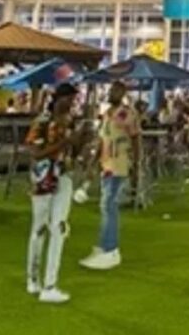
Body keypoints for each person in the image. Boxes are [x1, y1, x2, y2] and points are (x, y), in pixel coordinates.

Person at [25, 83, 83, 303]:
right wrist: (65, 142)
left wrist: (78, 143)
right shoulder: (42, 122)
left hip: (64, 175)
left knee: (58, 227)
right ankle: (33, 278)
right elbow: (36, 153)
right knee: (39, 228)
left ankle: (50, 284)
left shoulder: (71, 122)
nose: (73, 103)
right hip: (43, 177)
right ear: (60, 99)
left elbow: (72, 151)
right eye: (70, 99)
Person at [80, 80, 139, 272]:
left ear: (123, 93)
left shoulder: (126, 113)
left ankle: (111, 249)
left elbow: (136, 137)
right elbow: (102, 141)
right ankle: (104, 245)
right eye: (111, 89)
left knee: (109, 204)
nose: (112, 93)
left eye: (116, 90)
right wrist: (92, 164)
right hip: (106, 164)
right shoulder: (107, 114)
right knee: (106, 204)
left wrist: (137, 164)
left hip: (119, 163)